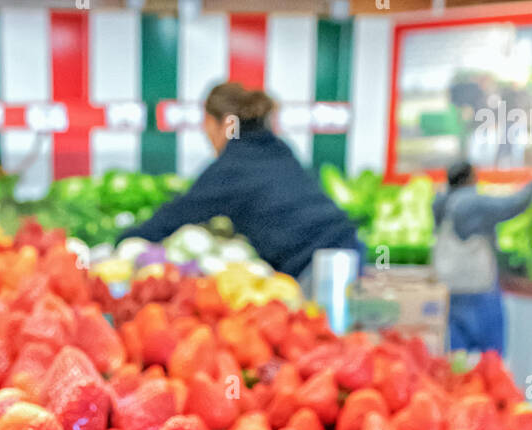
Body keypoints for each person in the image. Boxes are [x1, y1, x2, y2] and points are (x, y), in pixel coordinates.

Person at [117, 82, 362, 285]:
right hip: (349, 245)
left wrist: (125, 240)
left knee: (326, 333)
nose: (208, 138)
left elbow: (176, 215)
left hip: (318, 265)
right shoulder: (276, 147)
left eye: (207, 128)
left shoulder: (232, 166)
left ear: (224, 124)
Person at [433, 160, 532, 355]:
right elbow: (513, 205)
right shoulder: (470, 200)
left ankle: (460, 384)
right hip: (477, 290)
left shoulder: (441, 201)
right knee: (490, 357)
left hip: (450, 288)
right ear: (469, 177)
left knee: (457, 356)